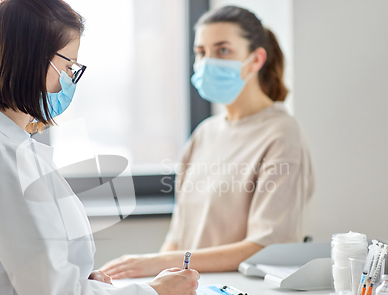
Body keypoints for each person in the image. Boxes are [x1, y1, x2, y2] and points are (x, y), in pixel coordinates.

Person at [0, 1, 199, 295]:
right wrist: (157, 294)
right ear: (33, 59)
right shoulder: (0, 158)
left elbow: (34, 282)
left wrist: (81, 285)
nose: (70, 82)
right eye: (69, 67)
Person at [100, 6, 314, 279]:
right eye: (201, 52)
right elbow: (177, 237)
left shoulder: (282, 134)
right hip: (191, 294)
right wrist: (156, 281)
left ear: (256, 59)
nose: (208, 62)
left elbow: (268, 246)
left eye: (223, 50)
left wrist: (160, 262)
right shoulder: (204, 134)